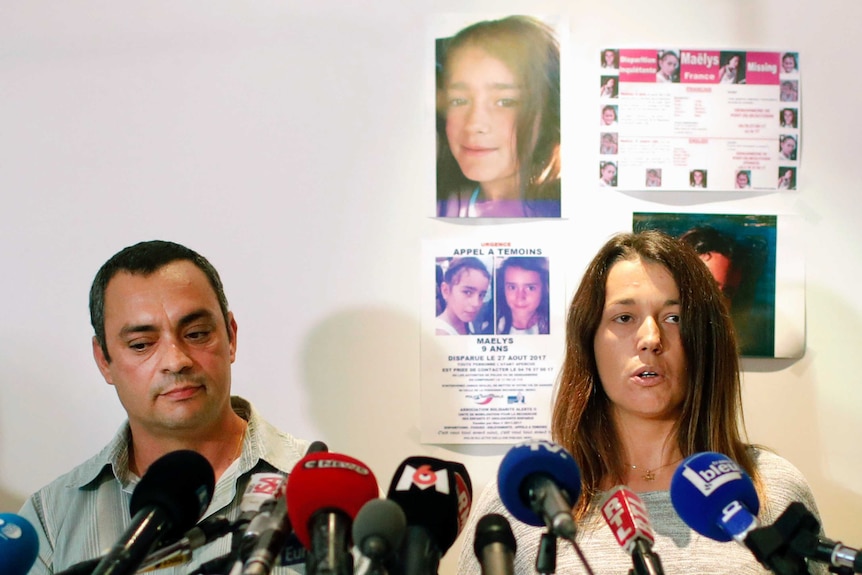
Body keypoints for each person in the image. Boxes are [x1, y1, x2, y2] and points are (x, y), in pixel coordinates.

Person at [456, 230, 824, 575]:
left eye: (675, 317)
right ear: (590, 342)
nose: (650, 338)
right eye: (625, 317)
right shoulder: (522, 499)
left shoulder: (773, 487)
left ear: (705, 340)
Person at [18, 240, 311, 575]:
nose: (176, 361)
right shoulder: (49, 520)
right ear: (104, 360)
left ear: (231, 336)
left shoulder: (325, 490)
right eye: (142, 344)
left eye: (197, 334)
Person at [436, 15, 561, 218]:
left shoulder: (561, 210)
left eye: (505, 102)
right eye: (458, 100)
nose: (474, 123)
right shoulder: (443, 206)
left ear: (546, 113)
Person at [436, 257, 492, 335]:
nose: (476, 303)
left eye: (481, 295)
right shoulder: (440, 333)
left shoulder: (466, 320)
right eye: (467, 292)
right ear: (446, 291)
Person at [495, 256, 550, 335]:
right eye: (512, 287)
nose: (520, 298)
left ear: (544, 289)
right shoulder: (494, 326)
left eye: (530, 288)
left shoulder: (552, 326)